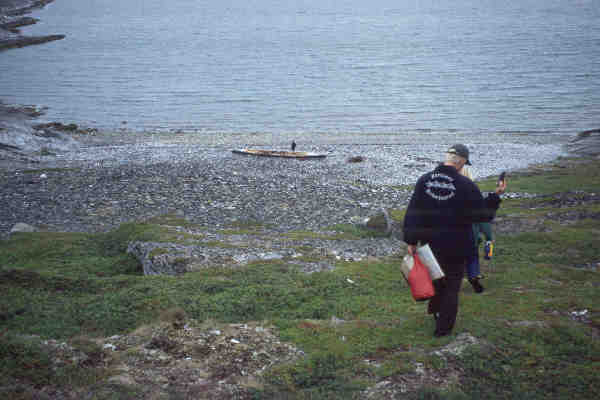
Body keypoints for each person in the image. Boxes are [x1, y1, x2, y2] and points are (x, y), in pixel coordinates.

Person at [402, 144, 507, 337]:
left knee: (437, 280)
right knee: (451, 286)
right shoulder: (466, 185)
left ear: (447, 158)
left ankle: (436, 314)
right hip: (457, 245)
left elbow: (413, 212)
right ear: (462, 162)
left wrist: (411, 240)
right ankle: (442, 330)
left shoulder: (424, 181)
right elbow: (482, 215)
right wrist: (496, 196)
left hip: (429, 244)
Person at [458, 165, 493, 293]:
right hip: (471, 235)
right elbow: (483, 219)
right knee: (472, 257)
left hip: (452, 235)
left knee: (455, 259)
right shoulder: (473, 192)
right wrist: (489, 237)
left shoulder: (447, 192)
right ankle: (473, 276)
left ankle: (455, 279)